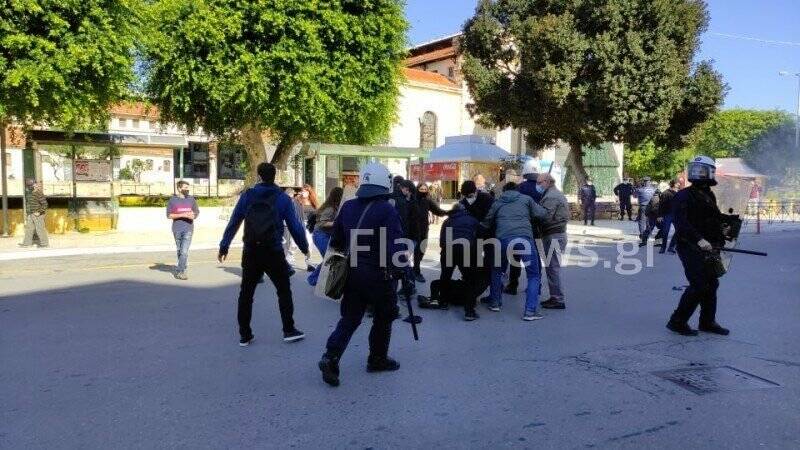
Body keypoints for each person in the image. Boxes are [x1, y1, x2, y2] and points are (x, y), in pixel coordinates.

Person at [318, 162, 404, 387]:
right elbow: (395, 245)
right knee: (384, 317)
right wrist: (403, 271)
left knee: (350, 319)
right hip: (379, 276)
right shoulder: (387, 210)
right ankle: (377, 359)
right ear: (384, 184)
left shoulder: (348, 207)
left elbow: (336, 240)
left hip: (352, 274)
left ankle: (330, 356)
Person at [218, 163, 309, 346]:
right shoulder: (283, 198)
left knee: (246, 293)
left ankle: (245, 335)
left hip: (251, 250)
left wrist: (224, 245)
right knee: (283, 291)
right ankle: (289, 330)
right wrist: (304, 246)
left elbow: (235, 221)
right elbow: (294, 225)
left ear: (259, 176)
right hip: (273, 251)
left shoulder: (247, 196)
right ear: (275, 176)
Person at [666, 156, 731, 337]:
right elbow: (681, 223)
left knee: (712, 283)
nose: (698, 173)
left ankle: (707, 322)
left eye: (702, 170)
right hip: (690, 246)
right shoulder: (683, 195)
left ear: (710, 172)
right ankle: (677, 321)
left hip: (709, 246)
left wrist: (727, 226)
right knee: (699, 284)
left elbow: (712, 218)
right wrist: (699, 239)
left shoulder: (709, 194)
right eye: (696, 169)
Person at [481, 182, 548, 320]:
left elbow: (487, 221)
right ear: (517, 190)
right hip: (524, 239)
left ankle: (495, 303)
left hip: (502, 240)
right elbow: (541, 214)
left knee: (497, 271)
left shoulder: (498, 202)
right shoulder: (526, 199)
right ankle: (530, 311)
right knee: (533, 275)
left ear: (504, 191)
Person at [438, 203, 481, 320]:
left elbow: (442, 240)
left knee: (445, 276)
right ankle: (469, 311)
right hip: (466, 249)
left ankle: (443, 302)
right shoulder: (472, 220)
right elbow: (479, 237)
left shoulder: (447, 221)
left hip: (449, 249)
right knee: (470, 279)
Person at [536, 173, 570, 310]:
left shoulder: (551, 197)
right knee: (552, 267)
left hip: (553, 234)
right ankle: (555, 297)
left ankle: (557, 299)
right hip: (555, 234)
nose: (537, 185)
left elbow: (545, 217)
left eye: (539, 183)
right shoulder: (553, 194)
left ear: (547, 182)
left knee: (552, 268)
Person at [411, 183, 448, 282]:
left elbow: (437, 211)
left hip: (424, 229)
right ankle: (416, 271)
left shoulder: (427, 200)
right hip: (413, 230)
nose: (423, 191)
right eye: (421, 189)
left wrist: (449, 213)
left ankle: (414, 269)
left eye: (425, 189)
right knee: (417, 250)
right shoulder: (412, 200)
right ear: (417, 189)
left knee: (422, 249)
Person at [307, 187, 344, 286]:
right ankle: (313, 279)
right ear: (339, 196)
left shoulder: (333, 207)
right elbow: (322, 223)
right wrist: (337, 223)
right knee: (328, 259)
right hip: (321, 235)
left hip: (322, 235)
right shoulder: (330, 208)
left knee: (328, 259)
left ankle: (315, 279)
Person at [166, 180, 199, 280]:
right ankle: (182, 266)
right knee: (180, 250)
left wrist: (193, 216)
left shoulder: (191, 199)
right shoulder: (172, 200)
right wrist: (183, 215)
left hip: (188, 228)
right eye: (185, 188)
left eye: (188, 188)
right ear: (179, 189)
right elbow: (169, 215)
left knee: (184, 251)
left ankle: (180, 272)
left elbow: (196, 212)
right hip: (177, 229)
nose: (187, 190)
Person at [20, 180, 49, 248]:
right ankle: (27, 243)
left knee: (40, 229)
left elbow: (45, 204)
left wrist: (39, 212)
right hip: (31, 213)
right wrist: (28, 213)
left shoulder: (39, 193)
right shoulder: (30, 193)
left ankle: (45, 244)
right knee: (29, 228)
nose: (30, 186)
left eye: (32, 185)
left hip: (38, 214)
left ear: (35, 185)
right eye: (29, 185)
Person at [656, 179, 678, 254]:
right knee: (665, 231)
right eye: (677, 183)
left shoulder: (677, 193)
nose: (678, 184)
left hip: (675, 215)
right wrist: (659, 215)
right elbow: (661, 205)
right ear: (674, 184)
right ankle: (663, 247)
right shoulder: (665, 193)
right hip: (667, 215)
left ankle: (671, 247)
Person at [635, 177, 658, 246]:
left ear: (644, 182)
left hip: (643, 206)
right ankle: (647, 233)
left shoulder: (640, 189)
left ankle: (642, 234)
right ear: (649, 182)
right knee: (649, 221)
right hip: (652, 207)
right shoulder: (654, 189)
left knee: (641, 221)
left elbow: (635, 195)